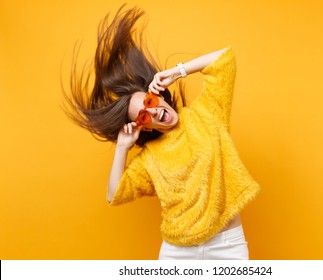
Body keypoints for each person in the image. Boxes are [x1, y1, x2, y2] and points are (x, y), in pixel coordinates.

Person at [64, 5, 260, 260]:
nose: (153, 111)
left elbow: (224, 59)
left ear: (156, 96)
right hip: (178, 252)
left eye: (149, 102)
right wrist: (123, 147)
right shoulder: (150, 159)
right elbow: (114, 195)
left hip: (227, 245)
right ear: (144, 126)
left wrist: (177, 72)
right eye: (144, 115)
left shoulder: (207, 113)